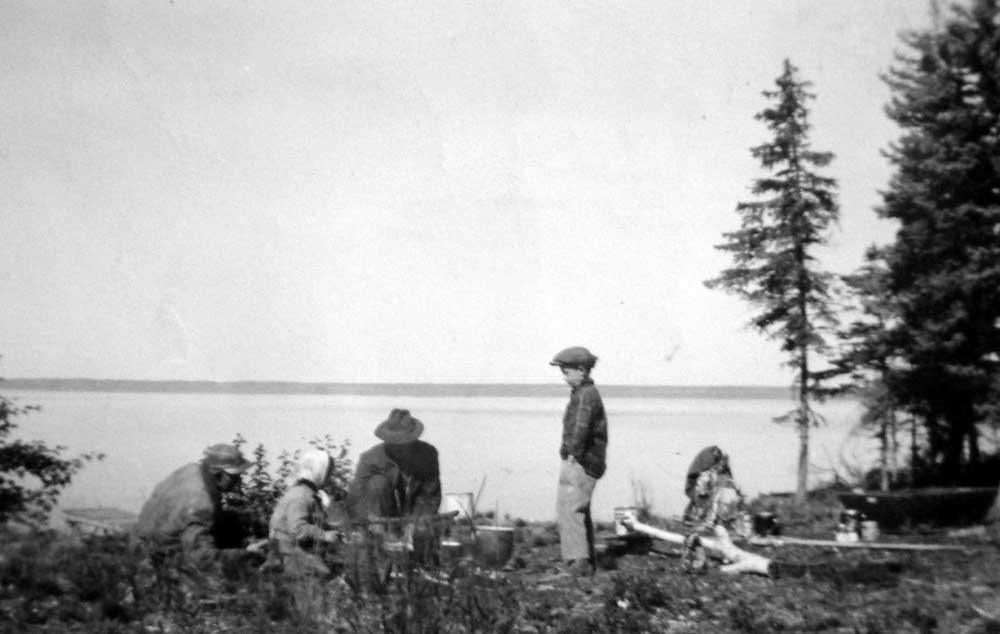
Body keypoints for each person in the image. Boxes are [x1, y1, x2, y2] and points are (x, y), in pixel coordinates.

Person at [134, 443, 253, 571]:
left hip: (139, 546)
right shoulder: (201, 504)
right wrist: (246, 554)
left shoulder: (191, 470)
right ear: (218, 474)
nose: (239, 480)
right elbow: (201, 558)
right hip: (156, 562)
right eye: (234, 476)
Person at [344, 408, 442, 561]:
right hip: (380, 520)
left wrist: (415, 522)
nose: (400, 448)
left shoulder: (428, 454)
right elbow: (355, 499)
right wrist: (371, 520)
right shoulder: (370, 459)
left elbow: (430, 494)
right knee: (377, 482)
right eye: (395, 444)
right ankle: (379, 550)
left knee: (423, 540)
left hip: (413, 518)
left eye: (405, 443)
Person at [550, 346, 607, 576]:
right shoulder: (585, 393)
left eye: (566, 371)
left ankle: (578, 563)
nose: (564, 377)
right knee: (574, 509)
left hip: (581, 461)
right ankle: (580, 560)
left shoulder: (585, 395)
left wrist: (572, 453)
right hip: (584, 460)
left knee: (571, 509)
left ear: (582, 370)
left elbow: (580, 427)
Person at [266, 449, 342, 577]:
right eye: (328, 471)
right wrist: (324, 535)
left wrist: (332, 530)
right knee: (327, 575)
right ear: (318, 470)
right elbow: (297, 529)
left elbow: (312, 522)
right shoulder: (301, 496)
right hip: (286, 552)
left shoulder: (307, 493)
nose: (330, 476)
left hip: (292, 549)